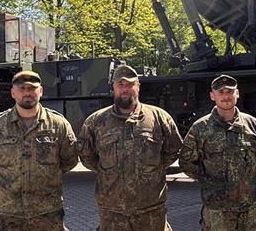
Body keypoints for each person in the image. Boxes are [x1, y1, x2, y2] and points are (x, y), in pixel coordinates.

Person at [78, 64, 183, 231]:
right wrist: (110, 172)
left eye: (130, 85)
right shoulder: (96, 121)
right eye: (120, 85)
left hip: (151, 209)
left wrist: (151, 170)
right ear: (113, 87)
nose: (125, 89)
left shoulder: (159, 118)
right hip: (112, 211)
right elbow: (87, 156)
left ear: (138, 87)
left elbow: (174, 149)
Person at [0, 70, 78, 231]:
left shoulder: (58, 125)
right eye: (22, 89)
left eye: (32, 88)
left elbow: (69, 160)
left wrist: (44, 176)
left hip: (47, 212)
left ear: (40, 91)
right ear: (13, 93)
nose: (27, 93)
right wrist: (6, 181)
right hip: (8, 214)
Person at [179, 74, 256, 230]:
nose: (226, 96)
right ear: (212, 96)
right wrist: (209, 182)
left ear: (237, 94)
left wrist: (252, 182)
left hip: (251, 208)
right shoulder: (200, 128)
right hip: (218, 209)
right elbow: (186, 162)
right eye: (221, 92)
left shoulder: (252, 124)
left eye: (230, 92)